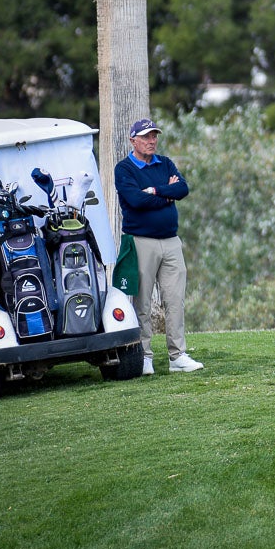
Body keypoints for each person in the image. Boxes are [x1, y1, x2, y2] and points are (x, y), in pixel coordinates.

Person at [114, 119, 204, 375]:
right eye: (146, 137)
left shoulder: (164, 163)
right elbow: (135, 200)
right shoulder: (125, 169)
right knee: (141, 302)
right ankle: (144, 357)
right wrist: (167, 193)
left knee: (175, 300)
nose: (152, 140)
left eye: (154, 136)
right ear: (133, 140)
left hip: (171, 241)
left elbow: (183, 189)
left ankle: (178, 356)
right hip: (141, 241)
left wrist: (154, 190)